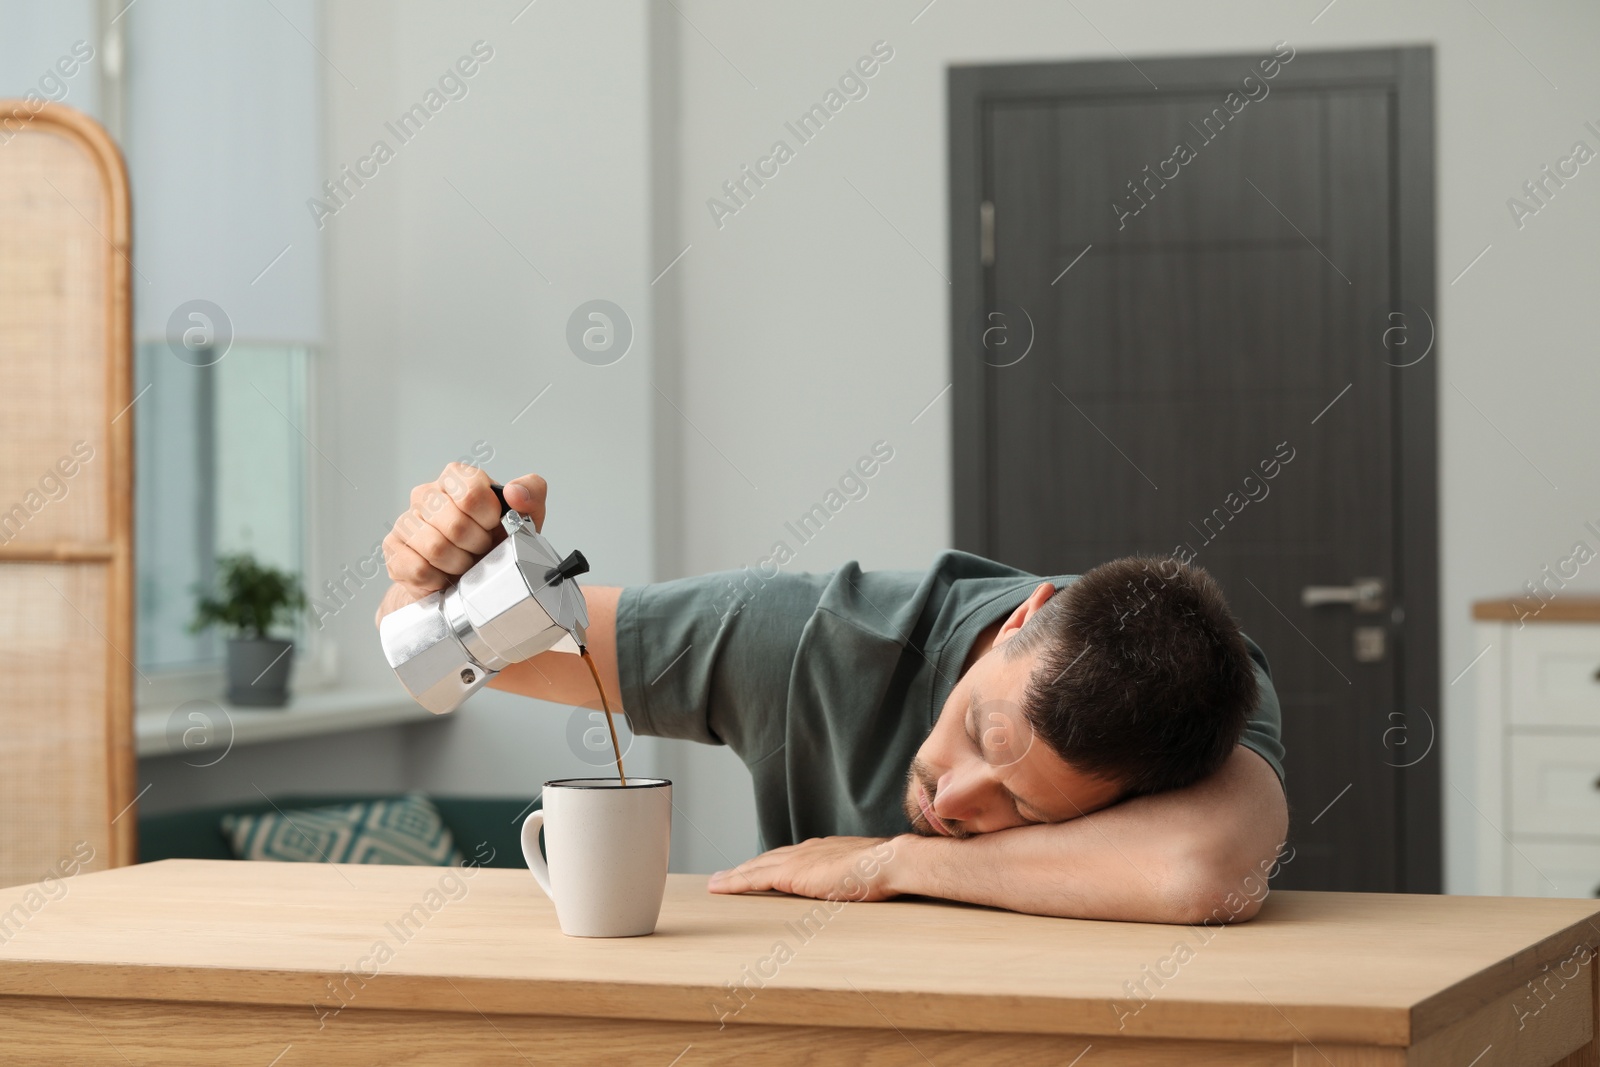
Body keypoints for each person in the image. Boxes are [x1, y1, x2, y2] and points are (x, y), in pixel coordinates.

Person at [376, 465, 1289, 923]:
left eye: (1020, 803)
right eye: (979, 731)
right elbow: (431, 653)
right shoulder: (806, 639)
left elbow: (1197, 872)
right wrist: (436, 570)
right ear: (1024, 619)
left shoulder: (1196, 689)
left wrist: (884, 862)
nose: (952, 797)